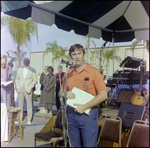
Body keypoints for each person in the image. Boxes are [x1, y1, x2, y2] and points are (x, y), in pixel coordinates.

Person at [59, 44, 107, 147]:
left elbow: (103, 95)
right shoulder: (68, 73)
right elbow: (60, 92)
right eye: (74, 54)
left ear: (84, 54)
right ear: (71, 57)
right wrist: (64, 93)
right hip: (71, 114)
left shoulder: (94, 72)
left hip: (88, 115)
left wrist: (85, 106)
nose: (77, 57)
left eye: (79, 53)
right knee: (74, 145)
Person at [15, 58, 36, 125]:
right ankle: (20, 119)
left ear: (29, 62)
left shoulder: (32, 70)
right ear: (23, 62)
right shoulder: (20, 70)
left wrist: (30, 87)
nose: (26, 62)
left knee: (29, 105)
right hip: (20, 89)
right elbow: (17, 79)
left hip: (28, 89)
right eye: (25, 61)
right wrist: (17, 86)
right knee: (20, 105)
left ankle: (29, 119)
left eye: (27, 61)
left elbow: (34, 80)